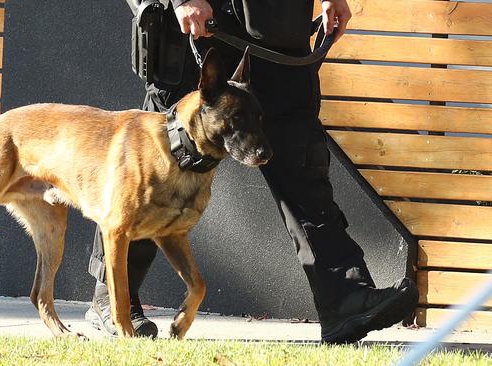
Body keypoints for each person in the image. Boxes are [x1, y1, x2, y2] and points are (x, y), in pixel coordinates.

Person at [85, 0, 419, 343]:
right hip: (198, 26)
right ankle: (112, 298)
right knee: (151, 173)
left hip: (276, 29)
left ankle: (345, 299)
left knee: (302, 162)